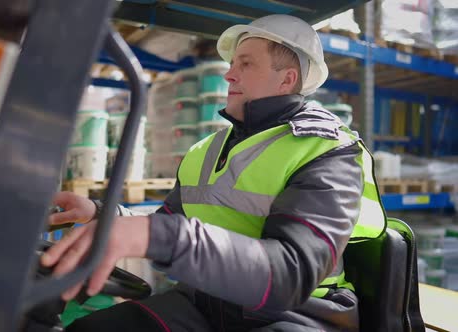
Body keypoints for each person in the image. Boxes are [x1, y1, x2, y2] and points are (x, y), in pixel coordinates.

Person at [41, 14, 387, 332]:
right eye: (232, 63)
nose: (228, 74)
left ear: (287, 79)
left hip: (295, 314)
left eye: (246, 64)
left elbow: (291, 275)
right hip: (205, 304)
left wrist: (160, 236)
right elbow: (168, 220)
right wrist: (105, 214)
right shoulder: (206, 151)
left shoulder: (327, 151)